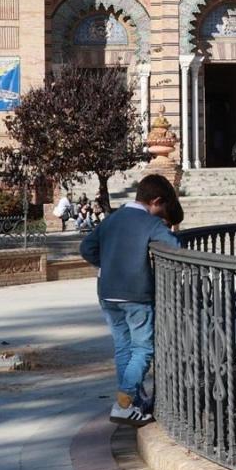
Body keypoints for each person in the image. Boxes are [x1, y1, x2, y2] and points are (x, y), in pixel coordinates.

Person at [80, 173, 183, 427]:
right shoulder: (150, 224)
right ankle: (124, 403)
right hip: (135, 295)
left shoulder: (113, 219)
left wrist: (107, 264)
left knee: (123, 347)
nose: (162, 219)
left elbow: (86, 248)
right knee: (143, 349)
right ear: (156, 201)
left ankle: (132, 401)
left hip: (107, 292)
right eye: (162, 213)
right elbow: (175, 248)